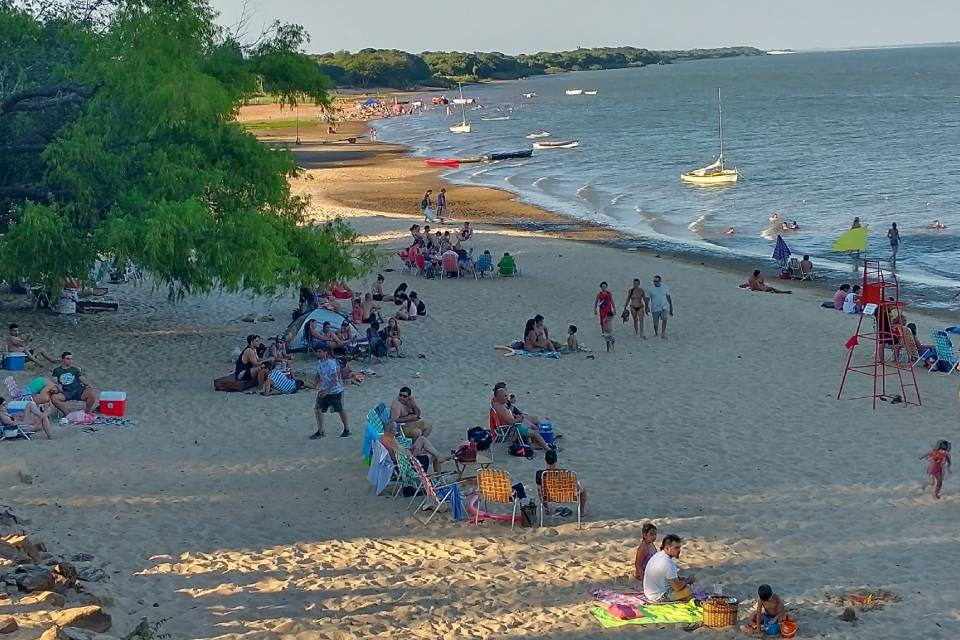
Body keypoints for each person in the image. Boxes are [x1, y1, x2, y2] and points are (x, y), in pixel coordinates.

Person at [491, 382, 553, 451]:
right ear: (499, 397)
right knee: (535, 432)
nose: (507, 398)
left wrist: (516, 416)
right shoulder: (500, 408)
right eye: (505, 396)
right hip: (512, 429)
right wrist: (520, 419)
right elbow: (511, 422)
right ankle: (548, 449)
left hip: (512, 425)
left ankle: (538, 442)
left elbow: (508, 416)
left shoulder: (498, 404)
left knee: (533, 426)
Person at [642, 534, 695, 603]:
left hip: (649, 592)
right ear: (667, 548)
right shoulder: (668, 563)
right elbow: (677, 587)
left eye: (679, 547)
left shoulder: (659, 555)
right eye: (676, 548)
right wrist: (687, 580)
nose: (679, 550)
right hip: (658, 596)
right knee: (688, 590)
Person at [311, 345, 349, 438]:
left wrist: (327, 391)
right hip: (324, 390)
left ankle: (347, 429)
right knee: (317, 409)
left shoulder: (331, 363)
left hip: (335, 391)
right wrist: (315, 383)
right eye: (317, 351)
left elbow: (334, 379)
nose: (318, 353)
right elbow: (319, 374)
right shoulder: (320, 362)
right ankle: (320, 431)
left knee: (340, 410)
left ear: (325, 352)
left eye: (320, 351)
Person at [536, 449, 588, 517]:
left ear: (545, 460)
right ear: (556, 460)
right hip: (567, 496)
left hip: (550, 497)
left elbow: (540, 491)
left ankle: (546, 509)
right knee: (584, 489)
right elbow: (576, 487)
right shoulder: (565, 473)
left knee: (540, 489)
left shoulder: (541, 474)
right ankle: (582, 511)